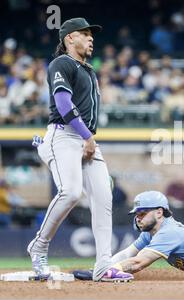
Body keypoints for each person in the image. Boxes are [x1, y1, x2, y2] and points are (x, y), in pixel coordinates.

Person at [26, 18, 130, 282]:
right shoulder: (61, 63)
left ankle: (104, 266)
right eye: (84, 34)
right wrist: (87, 137)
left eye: (91, 34)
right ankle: (39, 245)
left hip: (84, 139)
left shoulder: (88, 70)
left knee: (103, 199)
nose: (91, 38)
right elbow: (62, 103)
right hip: (64, 136)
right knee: (70, 192)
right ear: (69, 38)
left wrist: (87, 138)